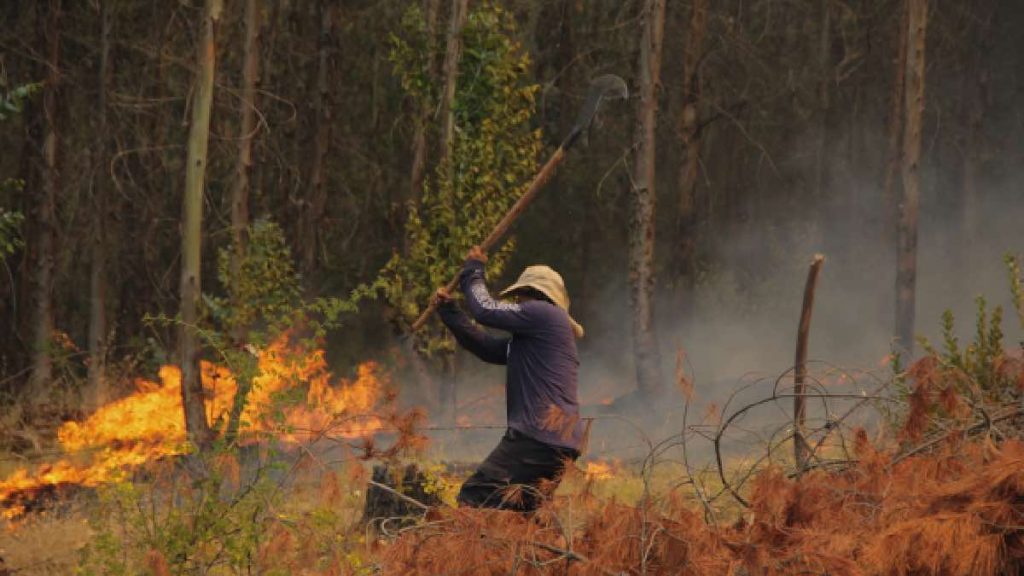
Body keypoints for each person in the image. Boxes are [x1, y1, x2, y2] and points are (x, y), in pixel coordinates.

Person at [434, 245, 586, 512]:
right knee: (522, 513)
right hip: (560, 442)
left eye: (520, 297)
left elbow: (485, 309)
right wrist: (450, 312)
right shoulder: (536, 339)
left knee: (474, 496)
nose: (517, 304)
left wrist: (473, 269)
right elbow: (485, 347)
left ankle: (458, 553)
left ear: (534, 294)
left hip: (537, 436)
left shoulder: (543, 313)